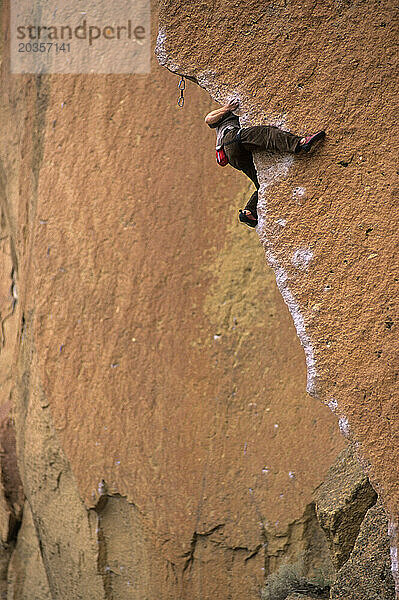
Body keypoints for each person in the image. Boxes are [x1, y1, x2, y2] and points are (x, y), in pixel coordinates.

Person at [205, 101, 325, 228]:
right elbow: (208, 119)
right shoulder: (224, 116)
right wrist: (227, 108)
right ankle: (300, 143)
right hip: (232, 138)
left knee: (260, 184)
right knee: (266, 134)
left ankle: (249, 212)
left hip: (233, 156)